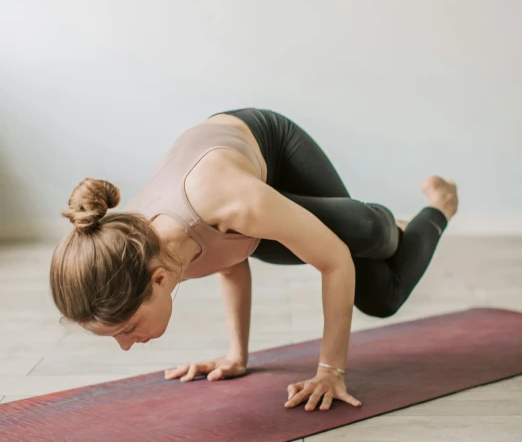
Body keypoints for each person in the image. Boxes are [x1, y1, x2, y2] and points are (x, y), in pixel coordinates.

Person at [50, 108, 458, 412]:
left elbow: (334, 263)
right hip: (241, 214)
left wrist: (330, 371)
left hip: (272, 152)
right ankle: (394, 222)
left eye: (127, 327)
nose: (125, 346)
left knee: (370, 239)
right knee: (384, 297)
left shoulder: (227, 203)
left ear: (158, 280)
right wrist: (236, 357)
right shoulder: (149, 250)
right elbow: (227, 264)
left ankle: (435, 207)